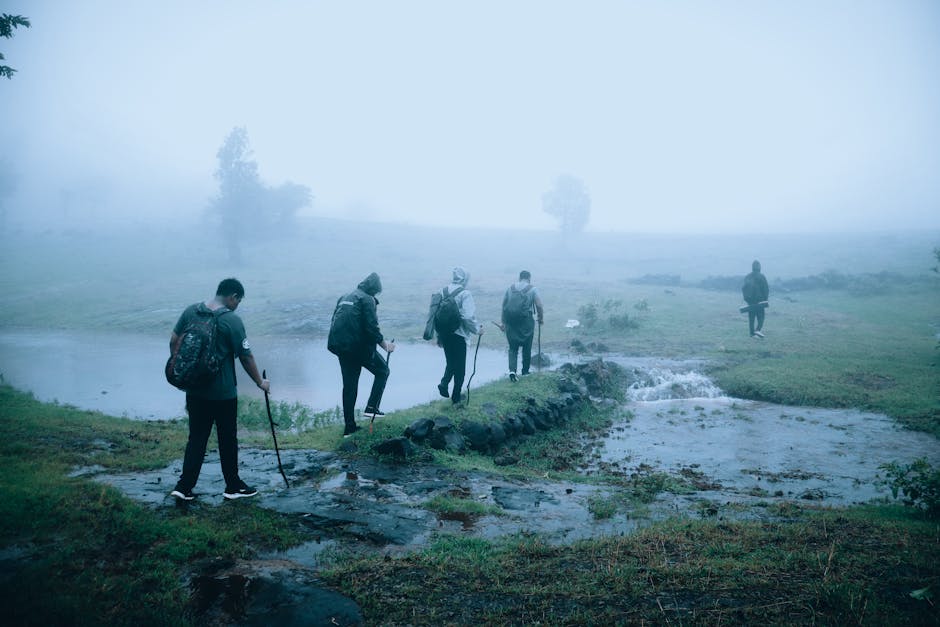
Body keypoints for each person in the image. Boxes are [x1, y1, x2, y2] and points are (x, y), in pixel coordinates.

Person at [169, 278, 269, 501]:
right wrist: (259, 383)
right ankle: (233, 486)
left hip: (194, 390)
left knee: (196, 437)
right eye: (238, 301)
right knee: (227, 438)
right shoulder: (231, 320)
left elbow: (174, 340)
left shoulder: (191, 312)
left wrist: (186, 370)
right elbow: (246, 356)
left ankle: (183, 487)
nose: (237, 305)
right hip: (222, 393)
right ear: (232, 296)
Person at [327, 272, 395, 436]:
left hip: (341, 346)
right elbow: (372, 328)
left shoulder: (345, 296)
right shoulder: (367, 299)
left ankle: (349, 428)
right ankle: (372, 407)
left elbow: (334, 321)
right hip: (358, 347)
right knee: (383, 371)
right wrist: (385, 345)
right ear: (375, 290)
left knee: (349, 386)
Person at [435, 266, 484, 405]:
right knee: (460, 367)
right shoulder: (465, 294)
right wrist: (477, 330)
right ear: (465, 279)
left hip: (444, 334)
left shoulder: (443, 291)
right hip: (459, 335)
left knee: (451, 362)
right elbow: (468, 316)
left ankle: (444, 383)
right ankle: (456, 397)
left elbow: (436, 313)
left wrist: (439, 335)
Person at [497, 270, 544, 381]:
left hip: (511, 322)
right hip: (526, 322)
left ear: (519, 278)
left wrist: (503, 322)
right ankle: (525, 371)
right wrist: (540, 318)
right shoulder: (532, 289)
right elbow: (539, 305)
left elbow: (504, 305)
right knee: (526, 347)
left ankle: (512, 371)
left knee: (513, 348)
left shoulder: (510, 288)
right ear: (529, 278)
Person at [742, 260, 770, 338]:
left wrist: (747, 300)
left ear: (752, 267)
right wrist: (765, 299)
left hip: (750, 301)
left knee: (751, 318)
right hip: (760, 301)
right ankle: (758, 330)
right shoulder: (762, 276)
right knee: (761, 317)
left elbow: (743, 288)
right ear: (759, 267)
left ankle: (752, 334)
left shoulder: (747, 277)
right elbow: (766, 289)